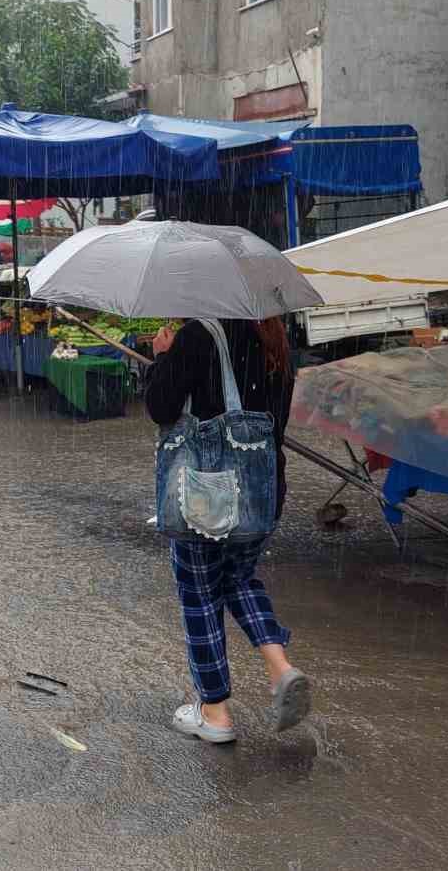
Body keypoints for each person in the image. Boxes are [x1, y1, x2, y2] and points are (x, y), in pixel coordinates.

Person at [145, 316, 310, 743]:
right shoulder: (274, 334)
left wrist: (163, 359)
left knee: (199, 595)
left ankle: (214, 712)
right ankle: (280, 667)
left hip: (209, 493)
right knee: (237, 577)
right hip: (263, 490)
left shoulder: (198, 335)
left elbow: (161, 409)